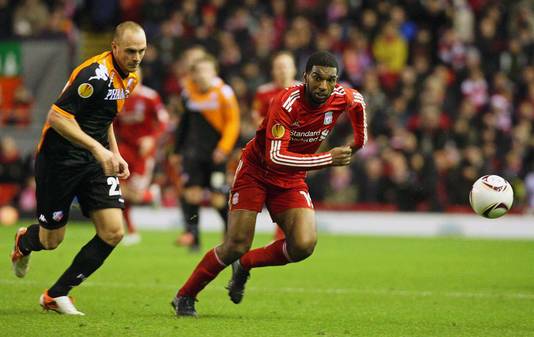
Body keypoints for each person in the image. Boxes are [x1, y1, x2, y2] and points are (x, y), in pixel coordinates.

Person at [171, 51, 367, 316]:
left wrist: (357, 144)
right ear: (305, 77)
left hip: (291, 177)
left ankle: (245, 264)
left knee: (303, 245)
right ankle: (186, 295)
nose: (323, 86)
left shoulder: (342, 96)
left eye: (330, 80)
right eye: (317, 78)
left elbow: (359, 103)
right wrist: (326, 159)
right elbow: (276, 157)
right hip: (257, 170)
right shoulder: (286, 102)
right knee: (236, 243)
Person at [10, 21, 146, 315]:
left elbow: (104, 117)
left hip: (94, 161)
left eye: (142, 51)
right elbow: (57, 117)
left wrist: (115, 152)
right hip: (59, 160)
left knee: (113, 232)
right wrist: (99, 149)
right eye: (131, 51)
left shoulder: (131, 78)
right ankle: (25, 240)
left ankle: (56, 295)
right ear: (115, 47)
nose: (137, 58)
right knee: (51, 240)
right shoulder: (94, 76)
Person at [174, 54, 240, 251]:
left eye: (206, 71)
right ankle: (193, 236)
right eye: (198, 71)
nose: (202, 75)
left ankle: (231, 232)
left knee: (217, 198)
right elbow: (183, 124)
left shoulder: (224, 93)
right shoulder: (187, 93)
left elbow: (233, 123)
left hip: (216, 154)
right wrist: (177, 150)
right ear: (192, 74)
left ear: (214, 72)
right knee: (192, 194)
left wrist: (224, 148)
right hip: (194, 154)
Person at [115, 69, 169, 245]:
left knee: (134, 195)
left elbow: (163, 121)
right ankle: (131, 231)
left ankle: (151, 196)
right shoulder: (117, 96)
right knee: (119, 191)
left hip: (143, 153)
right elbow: (113, 124)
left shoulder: (150, 97)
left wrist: (151, 139)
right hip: (125, 149)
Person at [251, 50, 299, 241]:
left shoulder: (302, 91)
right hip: (268, 149)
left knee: (286, 190)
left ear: (294, 69)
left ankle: (282, 233)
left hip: (294, 150)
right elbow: (256, 118)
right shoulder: (263, 93)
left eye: (285, 66)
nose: (282, 70)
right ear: (273, 71)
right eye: (278, 67)